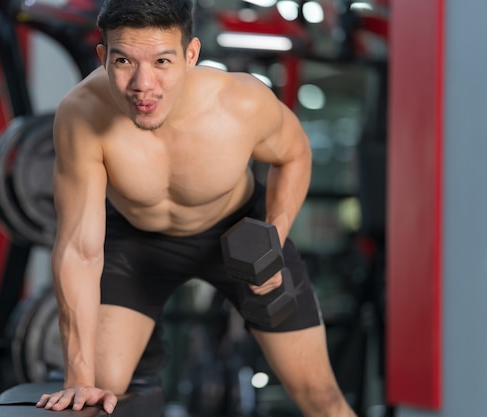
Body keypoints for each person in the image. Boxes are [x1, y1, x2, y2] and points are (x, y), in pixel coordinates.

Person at [36, 0, 357, 416]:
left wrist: (272, 238)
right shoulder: (81, 115)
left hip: (239, 237)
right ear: (103, 56)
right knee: (95, 394)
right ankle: (142, 345)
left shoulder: (240, 104)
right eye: (123, 61)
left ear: (191, 55)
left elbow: (294, 155)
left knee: (320, 397)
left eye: (162, 61)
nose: (142, 84)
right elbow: (79, 249)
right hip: (137, 245)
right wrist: (77, 377)